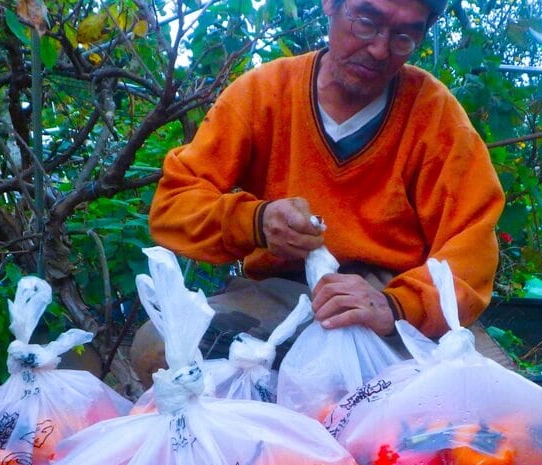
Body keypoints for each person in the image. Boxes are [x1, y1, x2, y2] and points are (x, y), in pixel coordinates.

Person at [130, 0, 506, 385]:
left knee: (492, 406)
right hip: (280, 294)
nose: (379, 49)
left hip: (390, 297)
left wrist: (397, 305)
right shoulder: (264, 93)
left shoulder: (436, 117)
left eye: (403, 36)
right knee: (158, 349)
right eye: (366, 21)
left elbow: (472, 247)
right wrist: (255, 222)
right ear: (330, 5)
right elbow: (173, 207)